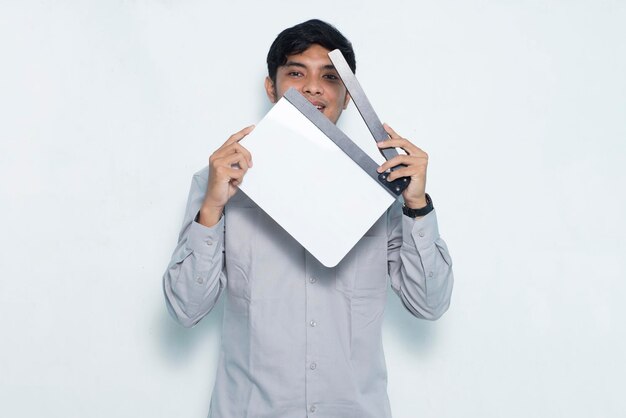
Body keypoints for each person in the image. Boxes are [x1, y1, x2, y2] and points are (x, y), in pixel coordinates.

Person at [163, 19, 454, 418]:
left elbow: (429, 305)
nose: (314, 87)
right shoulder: (219, 181)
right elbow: (185, 309)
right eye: (296, 73)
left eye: (330, 77)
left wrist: (417, 204)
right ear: (272, 88)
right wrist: (212, 208)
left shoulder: (389, 192)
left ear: (348, 96)